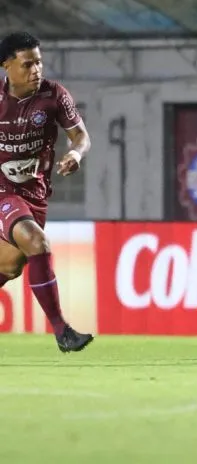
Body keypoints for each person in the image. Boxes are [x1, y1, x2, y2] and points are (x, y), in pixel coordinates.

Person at [0, 31, 93, 353]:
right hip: (2, 194)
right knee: (37, 242)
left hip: (35, 195)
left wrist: (75, 154)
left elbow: (81, 136)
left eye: (38, 62)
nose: (35, 70)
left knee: (11, 265)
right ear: (6, 66)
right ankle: (62, 332)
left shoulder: (54, 95)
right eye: (27, 64)